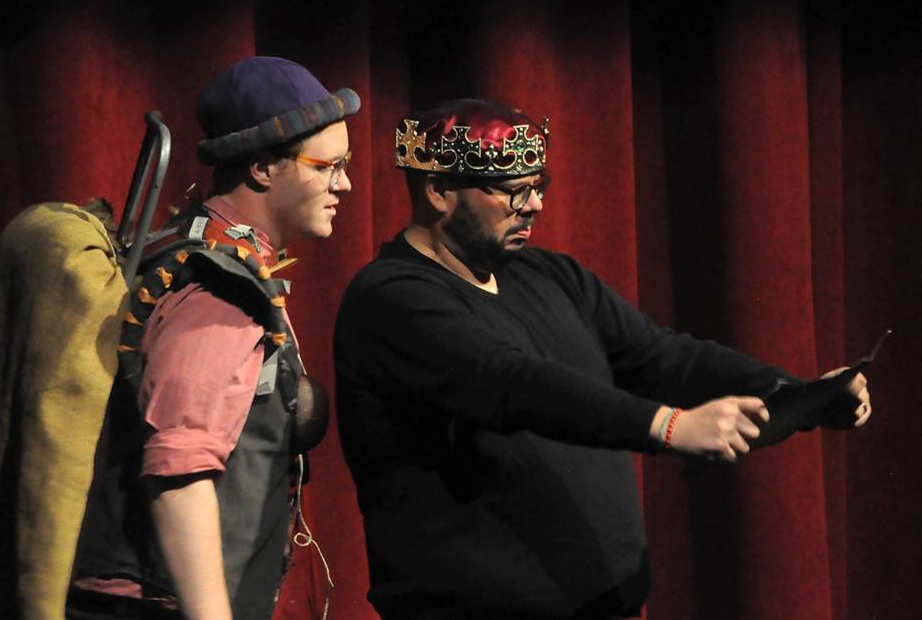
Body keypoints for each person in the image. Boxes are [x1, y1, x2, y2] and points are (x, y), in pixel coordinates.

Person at [333, 98, 871, 620]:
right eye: (514, 192)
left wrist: (800, 393)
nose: (535, 206)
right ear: (440, 190)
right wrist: (666, 425)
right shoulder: (392, 298)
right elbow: (511, 381)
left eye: (538, 188)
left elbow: (661, 356)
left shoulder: (549, 275)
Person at [70, 57, 358, 620]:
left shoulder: (207, 249)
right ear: (263, 169)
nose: (344, 183)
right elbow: (180, 470)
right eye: (329, 166)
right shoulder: (217, 289)